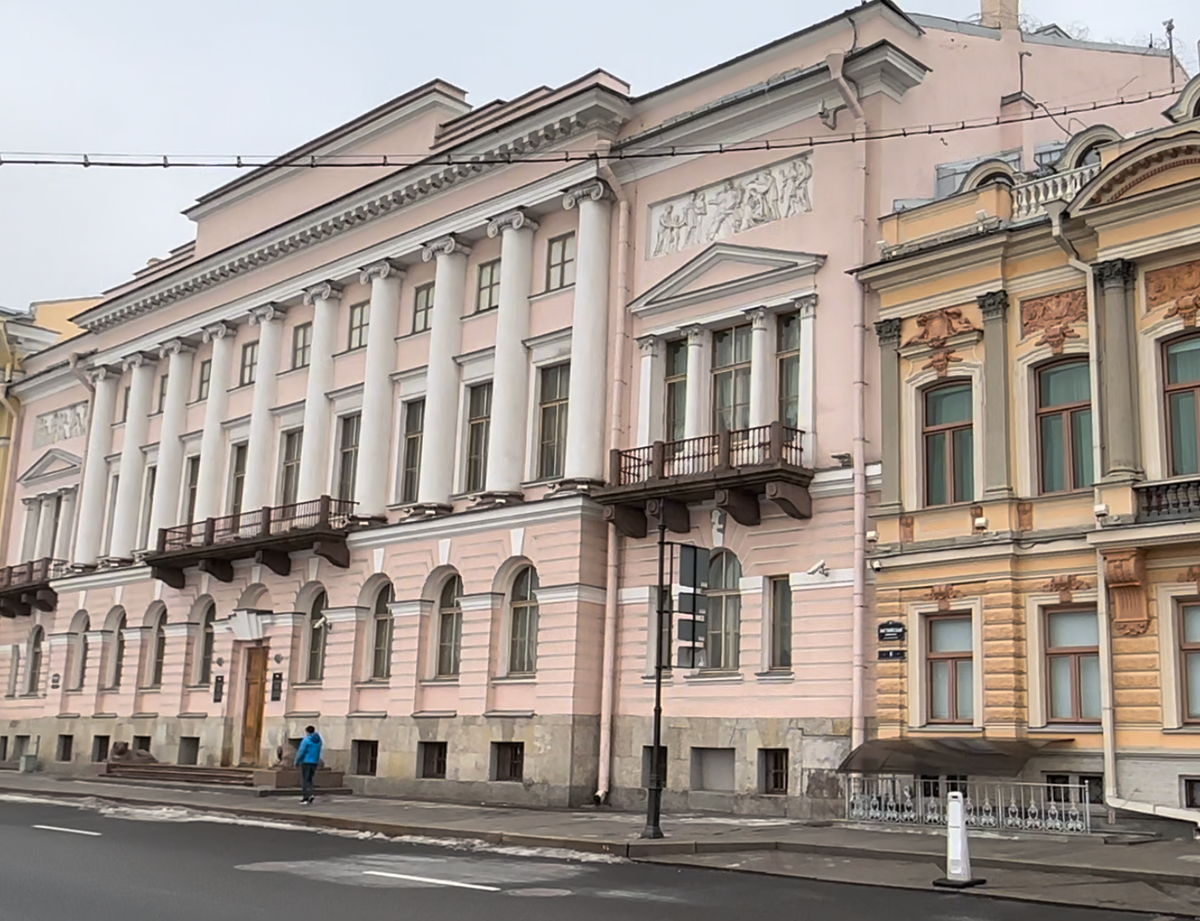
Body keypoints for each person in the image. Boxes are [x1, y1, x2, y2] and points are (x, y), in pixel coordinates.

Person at [294, 725, 323, 805]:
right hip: (314, 762)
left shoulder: (306, 740)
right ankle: (311, 793)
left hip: (306, 762)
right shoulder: (319, 741)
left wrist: (297, 761)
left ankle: (306, 797)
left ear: (307, 731)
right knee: (310, 779)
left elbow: (301, 751)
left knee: (305, 780)